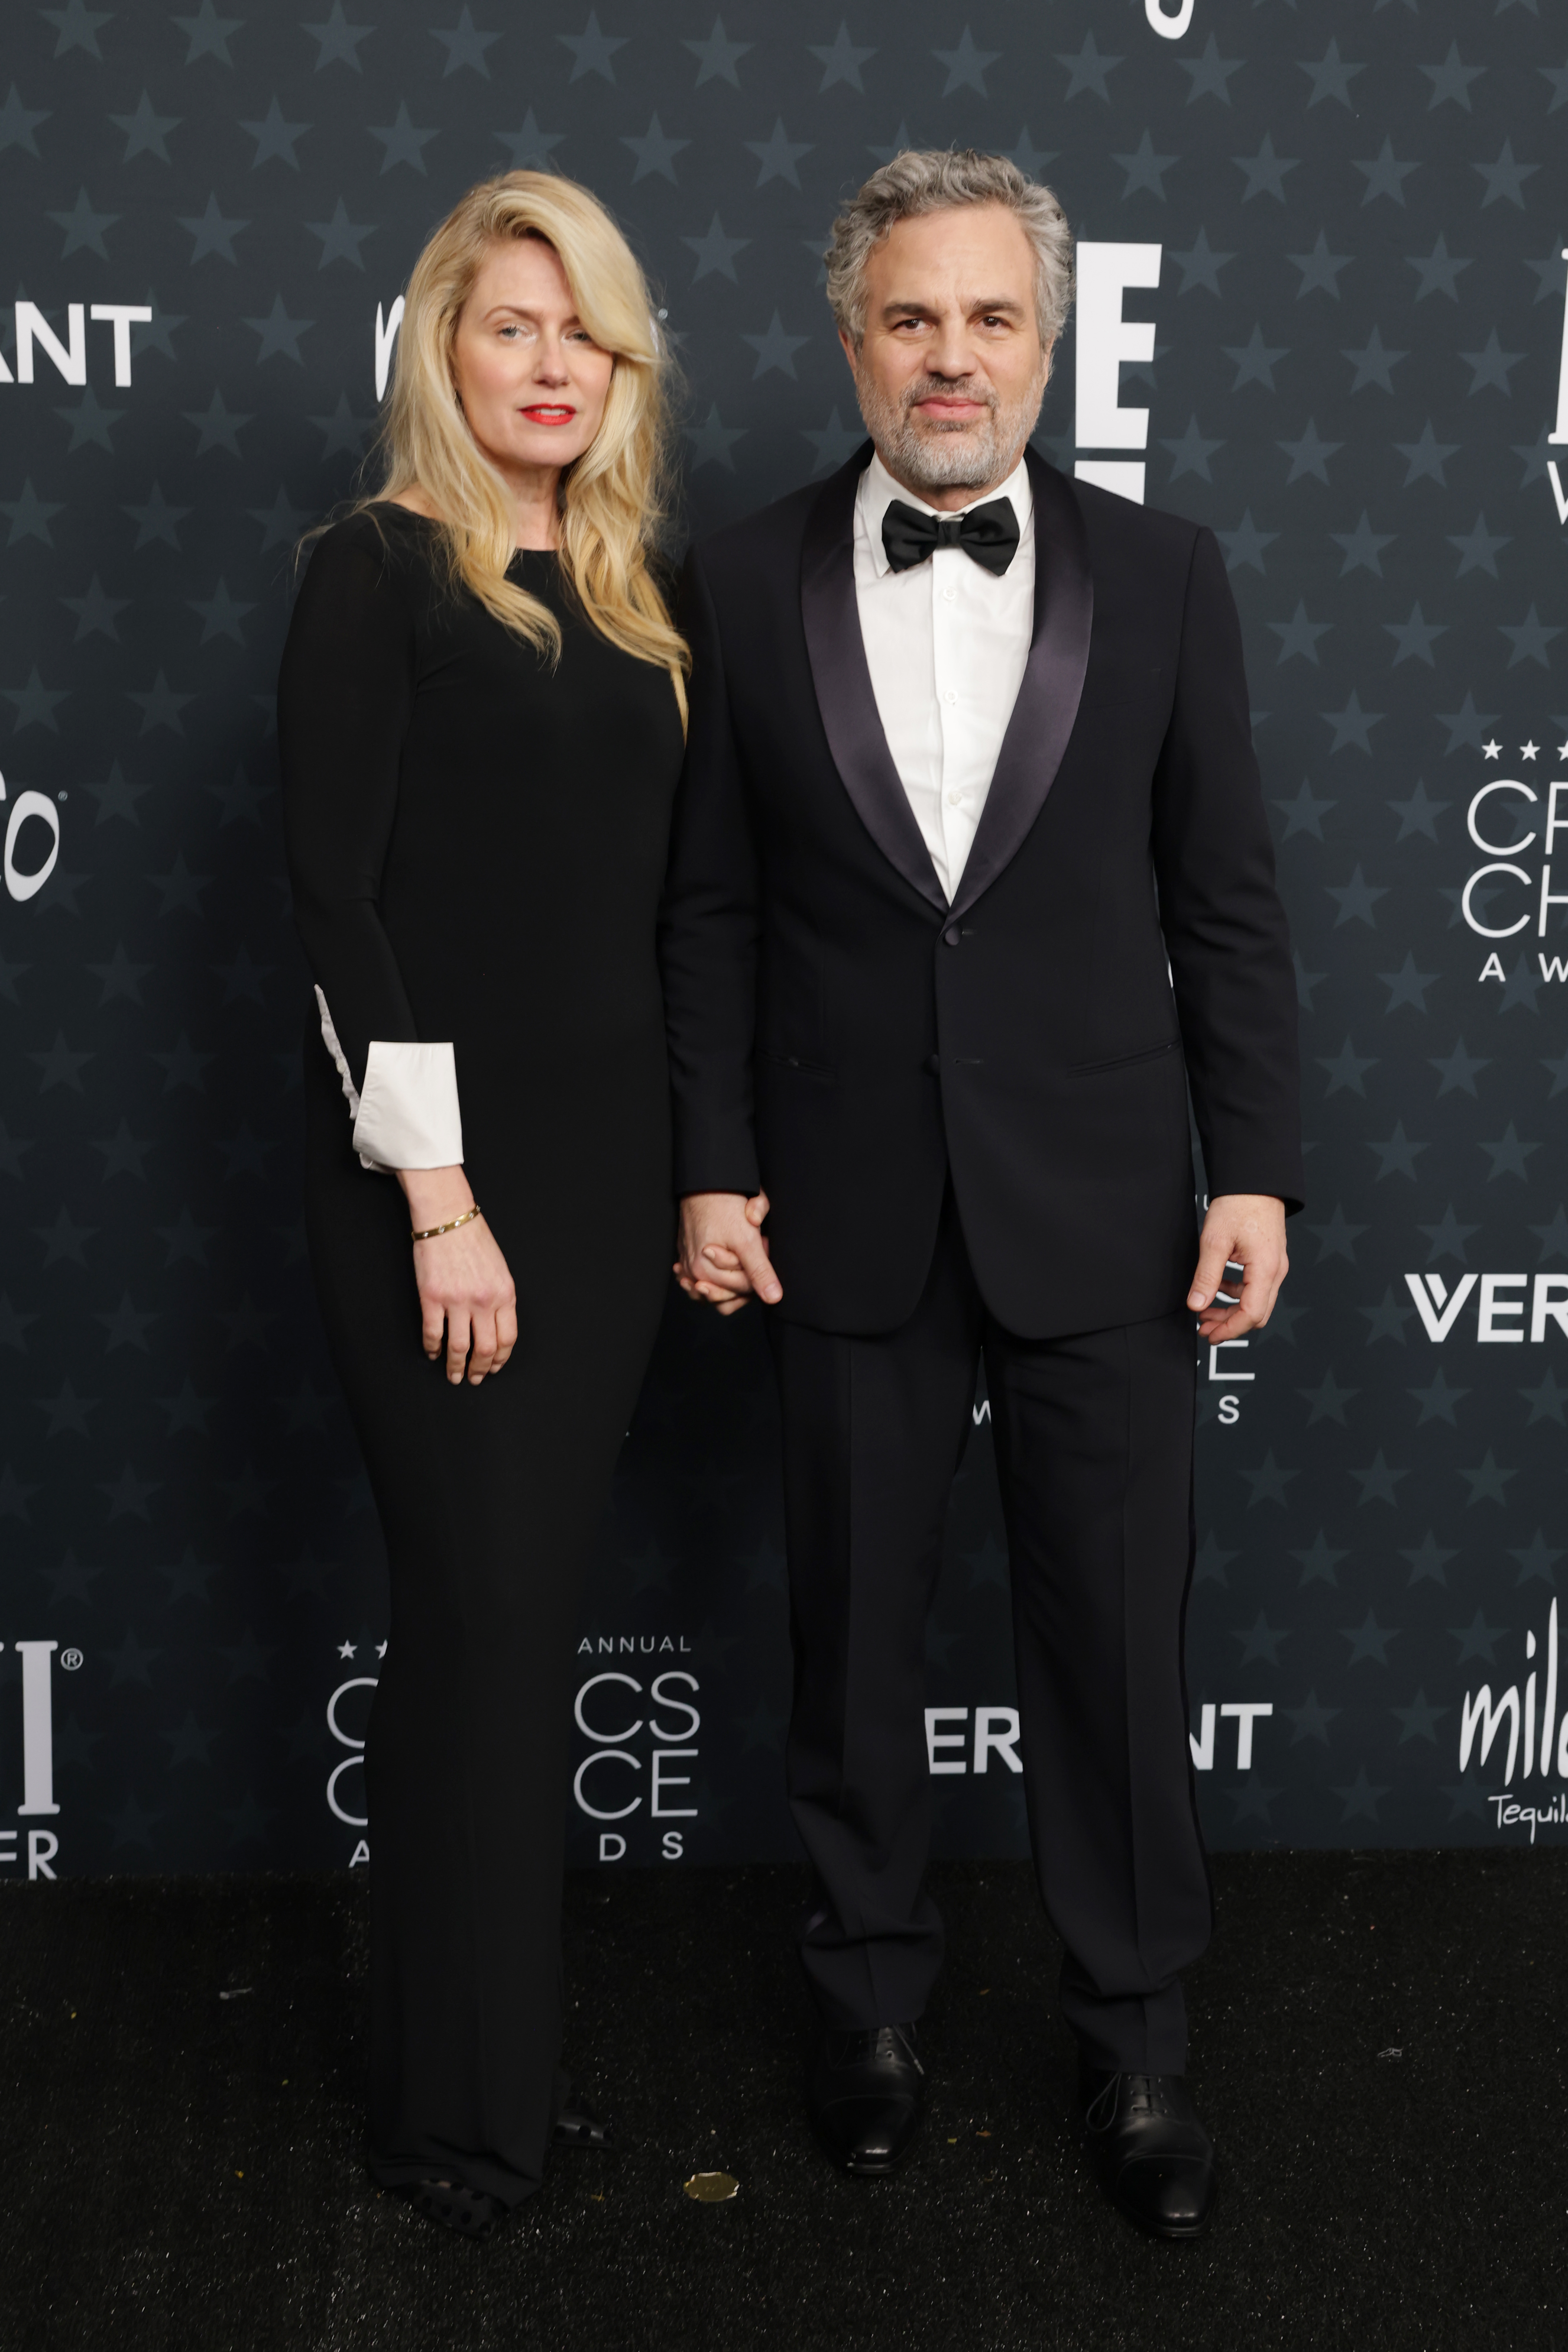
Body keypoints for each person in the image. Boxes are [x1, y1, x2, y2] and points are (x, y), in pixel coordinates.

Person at [660, 149, 1301, 2242]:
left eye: (992, 316)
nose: (954, 356)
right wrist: (713, 1160)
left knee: (1114, 1646)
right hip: (838, 1197)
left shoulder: (1170, 572)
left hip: (1109, 1202)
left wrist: (1259, 1173)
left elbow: (1228, 908)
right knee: (848, 1637)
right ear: (852, 341)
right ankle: (866, 2008)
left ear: (1050, 339)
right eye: (913, 317)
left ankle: (1135, 2042)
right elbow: (714, 914)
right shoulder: (741, 582)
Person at [277, 171, 688, 2240]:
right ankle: (454, 2127)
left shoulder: (635, 596)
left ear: (622, 371)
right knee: (481, 1631)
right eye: (513, 325)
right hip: (439, 1195)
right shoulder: (378, 568)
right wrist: (441, 1198)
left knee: (509, 1642)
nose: (551, 364)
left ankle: (485, 2084)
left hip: (611, 1203)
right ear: (443, 343)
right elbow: (338, 902)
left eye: (585, 333)